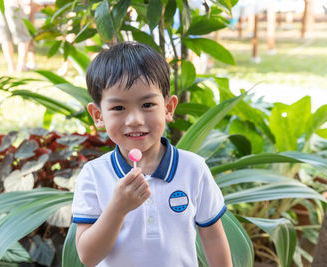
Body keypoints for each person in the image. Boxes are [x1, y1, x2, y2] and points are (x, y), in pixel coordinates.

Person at [71, 41, 232, 267]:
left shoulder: (193, 169)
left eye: (147, 104)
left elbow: (213, 237)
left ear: (168, 108)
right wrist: (118, 208)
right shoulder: (94, 175)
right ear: (98, 115)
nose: (135, 119)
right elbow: (88, 256)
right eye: (118, 108)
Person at [0, 0, 36, 73]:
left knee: (5, 38)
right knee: (23, 37)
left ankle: (11, 67)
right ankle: (21, 65)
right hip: (13, 4)